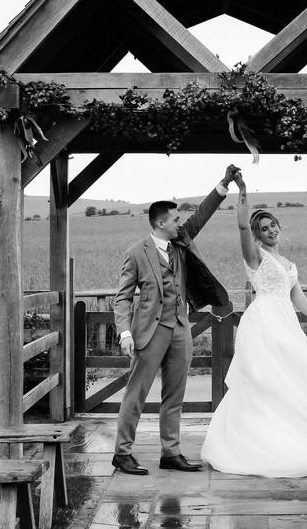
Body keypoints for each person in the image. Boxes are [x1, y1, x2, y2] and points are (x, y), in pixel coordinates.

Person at [200, 172, 307, 477]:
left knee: (290, 380)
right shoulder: (255, 257)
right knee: (263, 381)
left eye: (273, 225)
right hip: (263, 324)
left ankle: (286, 434)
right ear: (257, 234)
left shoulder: (287, 262)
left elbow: (297, 296)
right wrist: (243, 191)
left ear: (279, 227)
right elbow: (241, 225)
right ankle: (254, 440)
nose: (270, 231)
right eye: (263, 229)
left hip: (285, 323)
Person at [111, 164, 240, 476]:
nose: (180, 223)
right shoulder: (136, 253)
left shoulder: (181, 242)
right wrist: (125, 332)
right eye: (175, 219)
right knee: (136, 394)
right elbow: (122, 297)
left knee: (175, 395)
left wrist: (224, 183)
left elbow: (201, 216)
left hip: (180, 329)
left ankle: (171, 452)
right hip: (148, 332)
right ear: (160, 223)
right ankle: (122, 453)